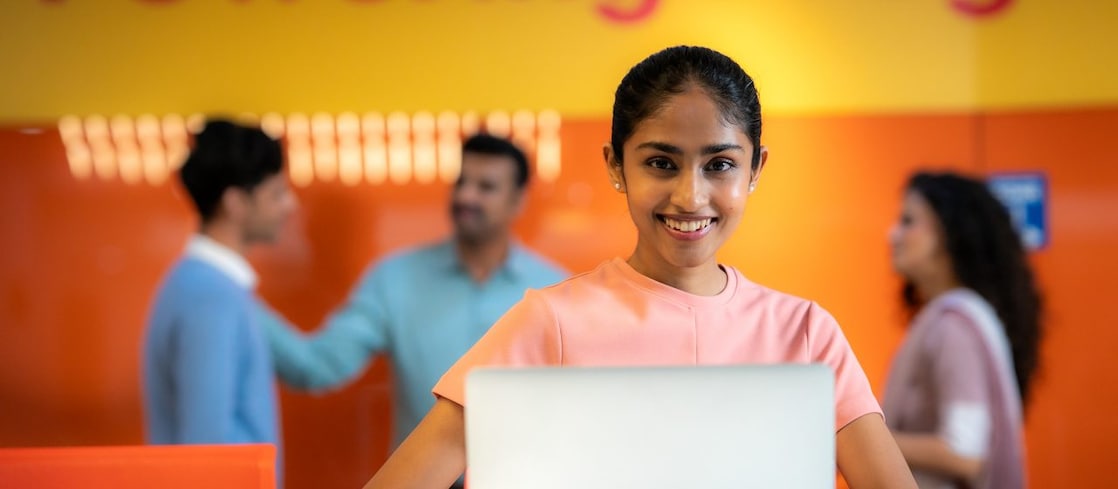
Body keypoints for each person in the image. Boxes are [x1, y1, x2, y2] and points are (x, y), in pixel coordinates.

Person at [362, 45, 917, 489]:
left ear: (756, 168)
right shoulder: (549, 323)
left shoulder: (806, 334)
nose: (689, 195)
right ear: (615, 165)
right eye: (660, 162)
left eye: (720, 164)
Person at [259, 134, 567, 453]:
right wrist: (236, 297)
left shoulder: (554, 291)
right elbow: (318, 367)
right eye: (461, 181)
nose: (465, 196)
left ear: (518, 201)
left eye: (485, 187)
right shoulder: (394, 280)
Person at [141, 119, 297, 480]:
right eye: (276, 193)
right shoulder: (210, 298)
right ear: (235, 203)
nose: (290, 205)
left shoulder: (205, 288)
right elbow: (208, 455)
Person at [884, 172, 1042, 488]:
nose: (893, 234)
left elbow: (964, 452)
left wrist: (857, 440)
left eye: (908, 220)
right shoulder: (950, 319)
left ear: (949, 234)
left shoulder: (953, 328)